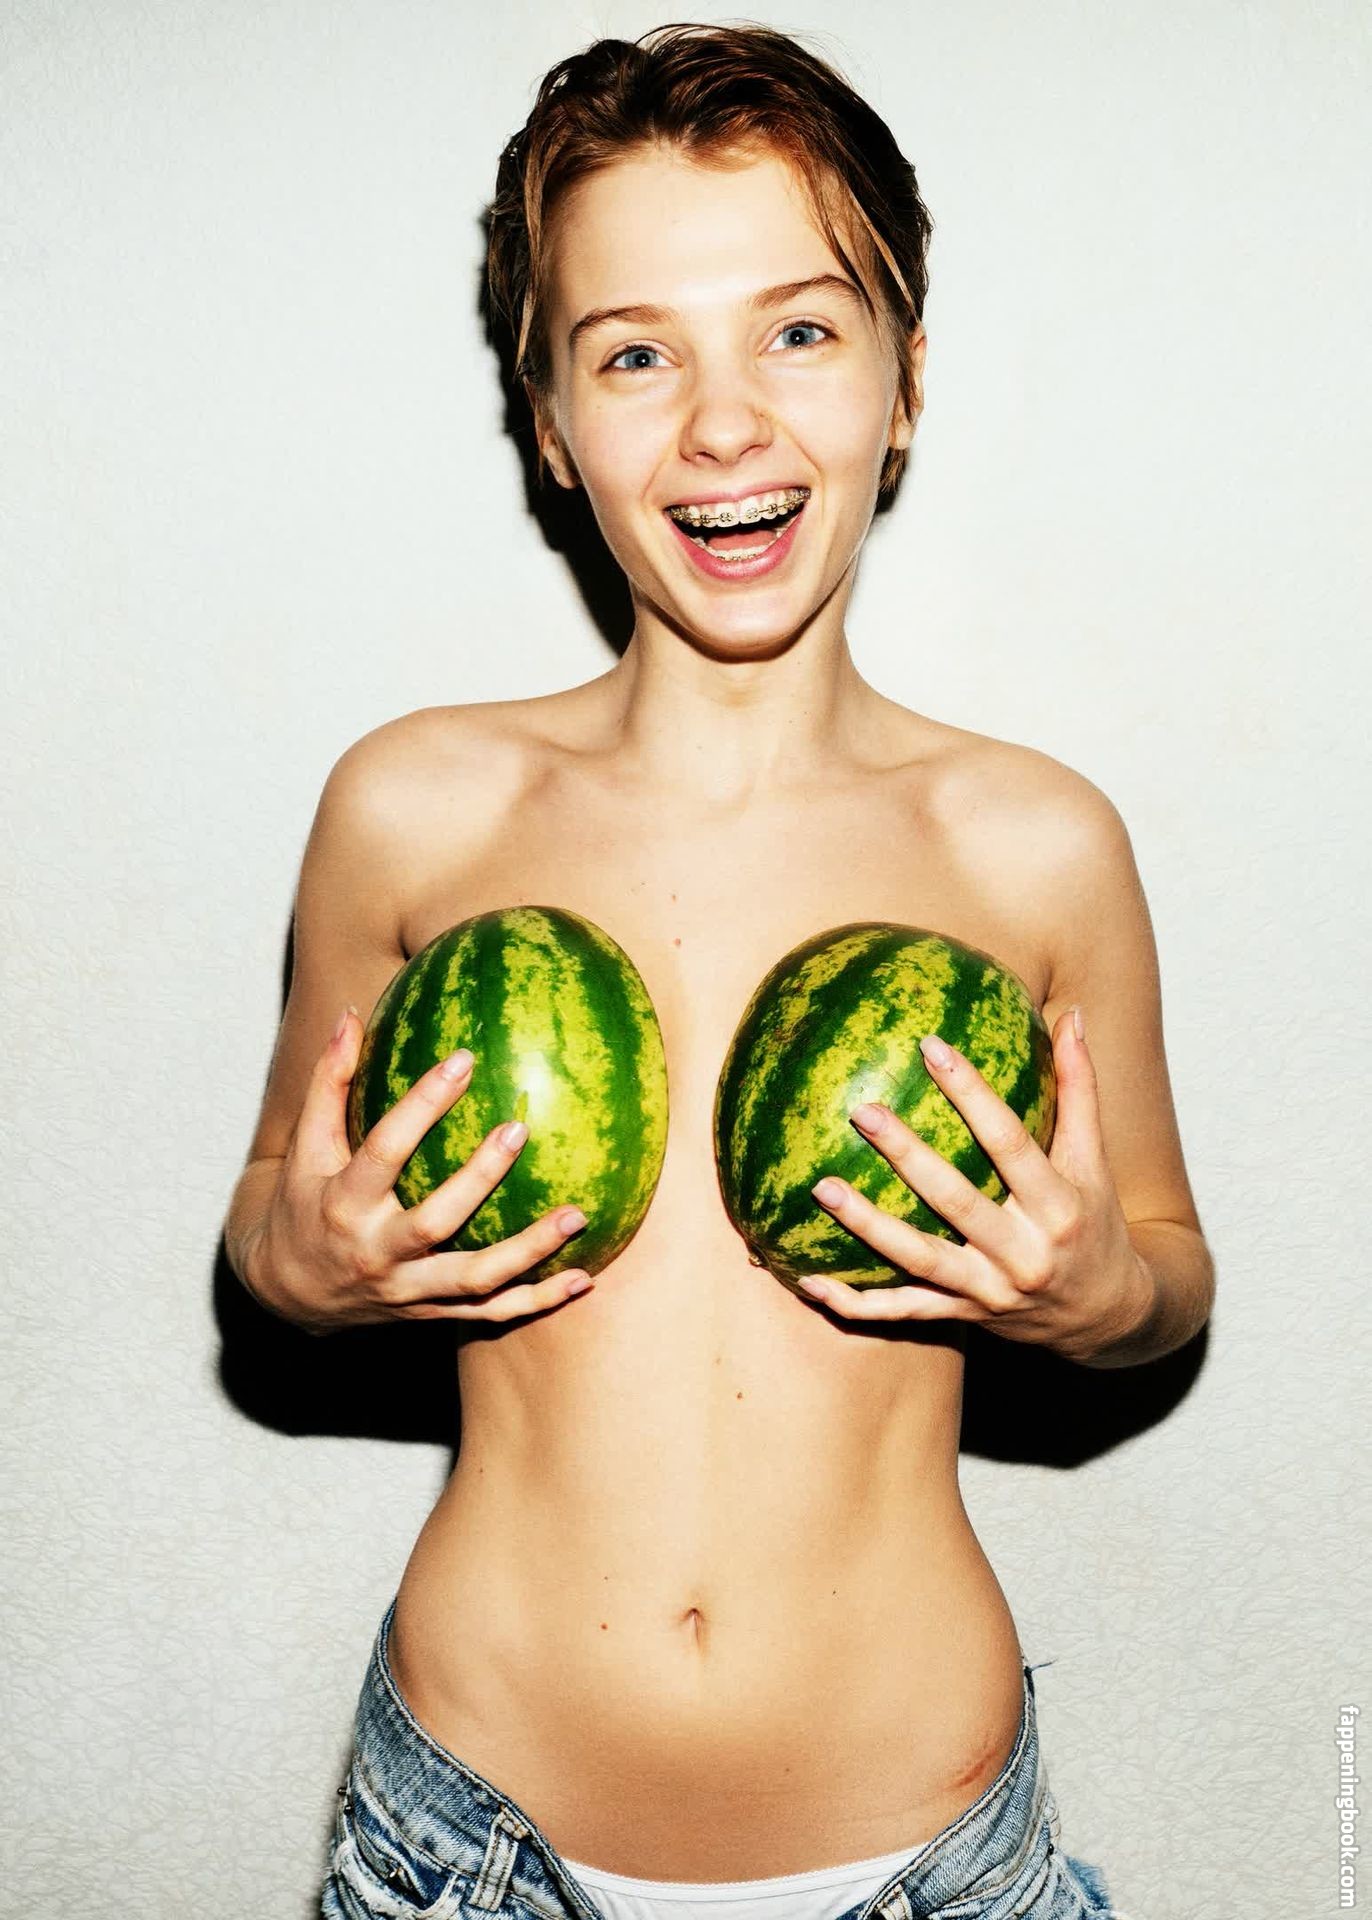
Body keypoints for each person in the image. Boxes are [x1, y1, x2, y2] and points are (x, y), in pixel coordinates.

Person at [225, 23, 1213, 1920]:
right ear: (548, 424)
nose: (724, 425)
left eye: (800, 331)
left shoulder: (1029, 845)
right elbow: (270, 1215)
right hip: (467, 1846)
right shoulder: (415, 810)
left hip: (927, 1856)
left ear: (905, 381)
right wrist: (311, 1264)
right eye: (634, 354)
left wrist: (1100, 1292)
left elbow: (1168, 1268)